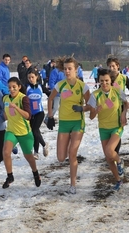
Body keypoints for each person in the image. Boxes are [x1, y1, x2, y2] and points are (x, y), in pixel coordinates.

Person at [46, 57, 90, 194]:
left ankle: (73, 184)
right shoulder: (60, 85)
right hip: (64, 123)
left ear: (76, 70)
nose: (67, 71)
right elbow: (50, 98)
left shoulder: (83, 86)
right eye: (65, 69)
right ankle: (69, 147)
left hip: (77, 122)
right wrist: (50, 116)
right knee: (60, 158)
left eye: (70, 68)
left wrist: (82, 108)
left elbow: (91, 105)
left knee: (72, 154)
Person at [88, 68, 129, 190]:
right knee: (108, 157)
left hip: (116, 126)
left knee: (110, 150)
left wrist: (123, 113)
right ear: (98, 81)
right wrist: (95, 110)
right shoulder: (95, 95)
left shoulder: (117, 90)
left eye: (106, 80)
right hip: (103, 128)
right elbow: (91, 117)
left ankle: (120, 162)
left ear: (111, 80)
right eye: (101, 81)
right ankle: (118, 180)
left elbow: (126, 104)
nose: (104, 83)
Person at [2, 77, 42, 189]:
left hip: (24, 132)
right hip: (11, 131)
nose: (12, 89)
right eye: (9, 87)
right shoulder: (5, 98)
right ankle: (10, 176)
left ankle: (35, 173)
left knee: (28, 156)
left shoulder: (23, 98)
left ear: (19, 87)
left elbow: (28, 116)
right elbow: (5, 115)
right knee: (6, 152)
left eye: (14, 87)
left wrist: (16, 108)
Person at [26, 69, 49, 160]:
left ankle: (36, 151)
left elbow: (49, 94)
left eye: (32, 77)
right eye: (29, 78)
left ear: (37, 77)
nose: (31, 79)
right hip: (31, 113)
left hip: (39, 112)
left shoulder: (40, 87)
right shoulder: (26, 87)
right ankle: (43, 146)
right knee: (35, 132)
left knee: (35, 130)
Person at [44, 57, 65, 124]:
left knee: (64, 107)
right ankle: (47, 118)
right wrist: (55, 91)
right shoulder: (55, 71)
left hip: (65, 93)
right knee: (55, 107)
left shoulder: (65, 71)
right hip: (57, 93)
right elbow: (51, 82)